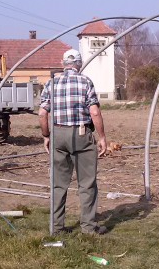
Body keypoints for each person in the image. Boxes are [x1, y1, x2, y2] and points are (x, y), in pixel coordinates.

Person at [39, 49, 108, 235]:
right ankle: (88, 227)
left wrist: (46, 135)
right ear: (79, 63)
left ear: (63, 64)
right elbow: (94, 112)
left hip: (58, 134)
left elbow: (42, 113)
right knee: (87, 183)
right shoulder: (85, 81)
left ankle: (57, 227)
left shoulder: (51, 83)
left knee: (58, 184)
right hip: (81, 133)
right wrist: (102, 137)